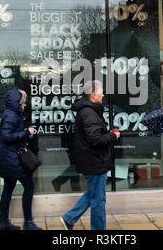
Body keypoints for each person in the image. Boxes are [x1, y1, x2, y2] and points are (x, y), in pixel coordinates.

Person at [60, 80, 120, 230]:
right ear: (93, 95)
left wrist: (107, 134)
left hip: (93, 160)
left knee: (94, 193)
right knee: (98, 201)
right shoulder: (88, 112)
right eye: (101, 93)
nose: (103, 95)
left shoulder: (89, 110)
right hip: (95, 162)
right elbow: (95, 139)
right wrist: (113, 137)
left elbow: (94, 134)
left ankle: (69, 218)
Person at [0, 89, 42, 230]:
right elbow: (6, 137)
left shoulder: (12, 114)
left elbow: (12, 135)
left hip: (8, 158)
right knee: (30, 186)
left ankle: (4, 223)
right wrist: (26, 132)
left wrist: (26, 133)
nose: (25, 105)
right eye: (23, 102)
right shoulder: (12, 116)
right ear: (18, 103)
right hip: (13, 159)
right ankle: (28, 222)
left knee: (8, 190)